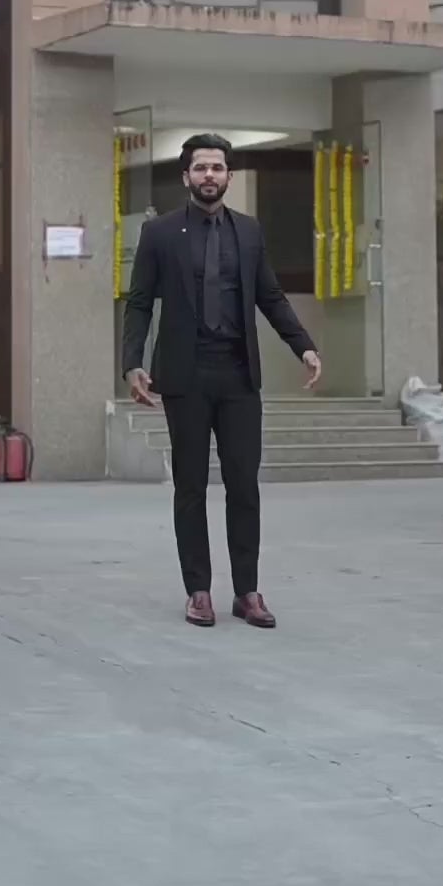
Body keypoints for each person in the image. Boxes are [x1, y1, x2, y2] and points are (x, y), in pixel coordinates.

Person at [122, 133, 322, 630]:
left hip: (238, 376)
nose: (208, 175)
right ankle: (199, 590)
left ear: (229, 176)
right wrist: (132, 363)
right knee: (190, 486)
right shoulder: (160, 233)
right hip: (185, 376)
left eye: (216, 167)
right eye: (200, 168)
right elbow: (140, 301)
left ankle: (247, 592)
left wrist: (303, 345)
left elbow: (270, 296)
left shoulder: (249, 232)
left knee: (244, 486)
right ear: (185, 176)